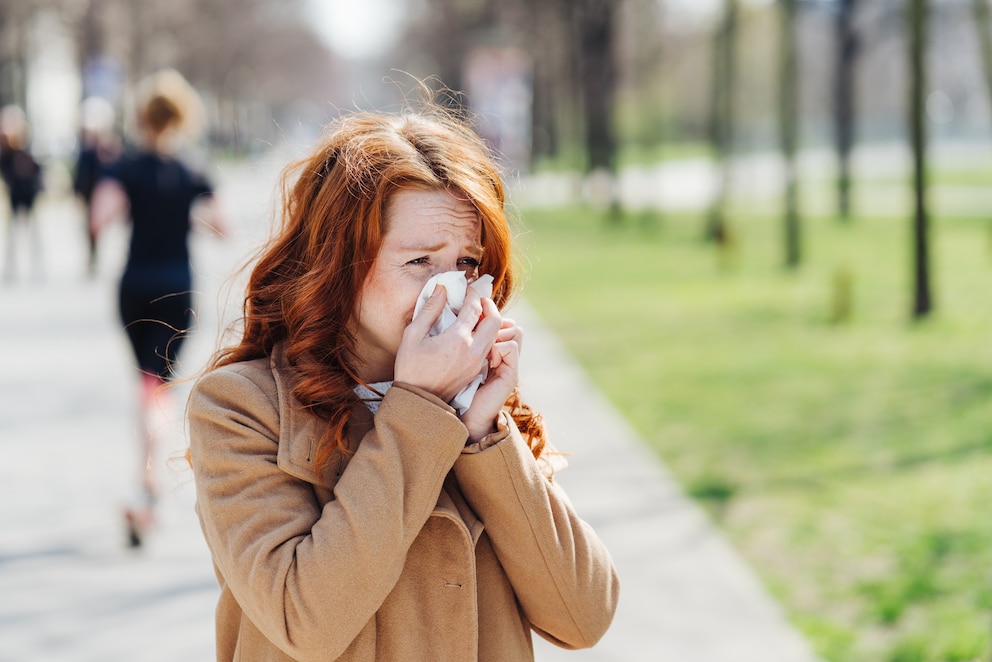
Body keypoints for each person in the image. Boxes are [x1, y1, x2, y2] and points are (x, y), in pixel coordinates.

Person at [186, 103, 619, 660]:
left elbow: (584, 616)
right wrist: (418, 408)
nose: (451, 291)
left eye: (466, 264)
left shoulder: (477, 408)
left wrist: (485, 433)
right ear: (338, 262)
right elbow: (305, 621)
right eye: (419, 261)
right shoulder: (239, 407)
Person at [90, 69, 225, 547]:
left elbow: (100, 216)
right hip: (176, 290)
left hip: (132, 288)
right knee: (156, 386)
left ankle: (145, 483)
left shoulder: (124, 167)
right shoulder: (192, 169)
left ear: (143, 117)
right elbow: (220, 224)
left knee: (148, 384)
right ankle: (146, 484)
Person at [73, 96, 121, 276]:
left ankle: (96, 254)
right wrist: (77, 191)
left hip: (100, 193)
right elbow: (80, 173)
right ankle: (92, 256)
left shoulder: (106, 150)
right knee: (89, 227)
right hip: (88, 193)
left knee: (97, 226)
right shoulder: (86, 152)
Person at [0, 105, 44, 282]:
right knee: (12, 233)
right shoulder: (7, 152)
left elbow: (37, 170)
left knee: (33, 232)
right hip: (15, 194)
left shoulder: (29, 148)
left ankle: (37, 264)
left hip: (29, 194)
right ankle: (11, 266)